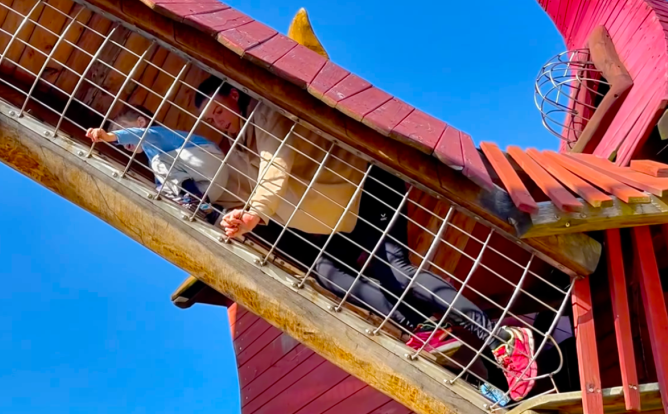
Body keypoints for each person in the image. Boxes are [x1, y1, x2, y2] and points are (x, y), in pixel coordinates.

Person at [194, 76, 537, 401]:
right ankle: (420, 329)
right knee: (328, 275)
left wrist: (255, 211)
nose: (219, 122)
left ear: (234, 96)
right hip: (337, 220)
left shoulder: (264, 112)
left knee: (395, 270)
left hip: (367, 185)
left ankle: (501, 337)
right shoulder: (239, 150)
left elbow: (276, 166)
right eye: (211, 119)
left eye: (219, 111)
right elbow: (229, 188)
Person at [86, 106, 229, 221]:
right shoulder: (156, 158)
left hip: (208, 159)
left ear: (141, 123)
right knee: (162, 188)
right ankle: (210, 212)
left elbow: (141, 135)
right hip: (210, 185)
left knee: (158, 163)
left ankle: (195, 200)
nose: (123, 144)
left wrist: (110, 137)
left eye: (122, 130)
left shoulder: (154, 134)